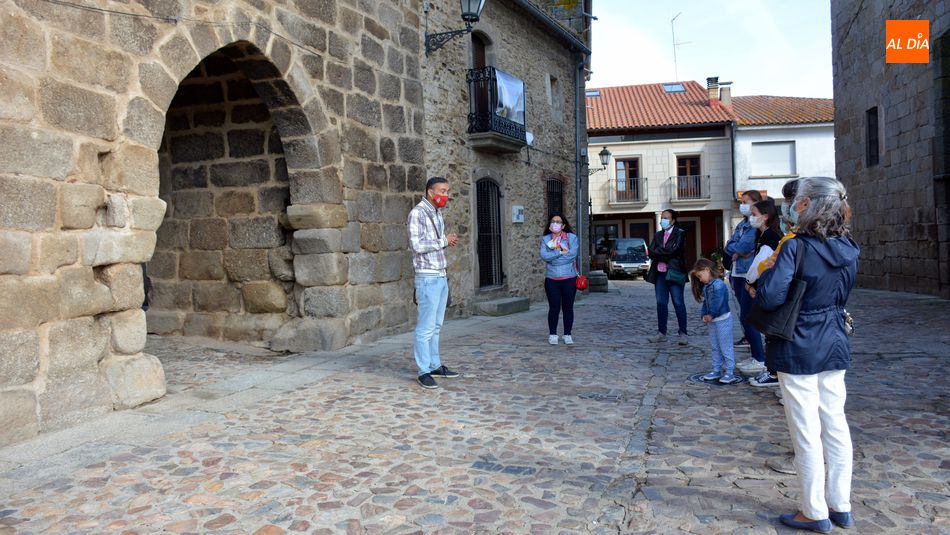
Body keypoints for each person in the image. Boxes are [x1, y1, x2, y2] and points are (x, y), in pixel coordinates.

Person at [755, 176, 859, 532]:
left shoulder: (796, 247)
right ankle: (840, 504)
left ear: (809, 204)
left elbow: (770, 297)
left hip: (799, 339)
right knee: (835, 423)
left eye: (799, 199)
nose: (794, 205)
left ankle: (814, 510)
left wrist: (767, 274)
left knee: (805, 429)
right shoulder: (848, 246)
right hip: (833, 338)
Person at [408, 177, 460, 389]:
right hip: (427, 277)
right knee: (425, 327)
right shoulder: (417, 214)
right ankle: (423, 371)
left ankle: (434, 364)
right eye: (442, 191)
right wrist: (444, 241)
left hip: (440, 275)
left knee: (436, 326)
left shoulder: (436, 213)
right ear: (430, 192)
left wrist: (445, 243)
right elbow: (417, 245)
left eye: (447, 191)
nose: (445, 195)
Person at [724, 190, 766, 374]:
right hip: (737, 272)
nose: (742, 205)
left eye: (746, 202)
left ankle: (760, 358)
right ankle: (755, 356)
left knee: (748, 317)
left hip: (747, 273)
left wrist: (739, 250)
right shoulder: (742, 224)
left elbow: (744, 246)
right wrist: (738, 250)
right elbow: (729, 246)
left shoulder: (754, 226)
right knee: (744, 316)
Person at [745, 198, 783, 387]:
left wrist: (749, 282)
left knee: (770, 331)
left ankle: (773, 372)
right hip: (764, 286)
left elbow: (760, 265)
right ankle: (771, 369)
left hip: (767, 288)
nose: (751, 218)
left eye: (754, 215)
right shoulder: (764, 236)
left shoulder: (769, 237)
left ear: (765, 217)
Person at [689, 258, 740, 384]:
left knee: (725, 346)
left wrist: (710, 315)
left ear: (707, 270)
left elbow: (718, 302)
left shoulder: (719, 285)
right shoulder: (707, 287)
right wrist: (704, 315)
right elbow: (706, 302)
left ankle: (729, 371)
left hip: (722, 320)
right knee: (715, 346)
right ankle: (716, 369)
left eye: (700, 276)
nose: (700, 280)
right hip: (713, 321)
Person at [645, 209, 689, 345]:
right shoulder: (658, 235)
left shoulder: (680, 234)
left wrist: (659, 253)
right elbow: (651, 252)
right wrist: (662, 253)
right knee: (661, 303)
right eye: (662, 217)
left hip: (675, 272)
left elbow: (675, 251)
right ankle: (661, 333)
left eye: (666, 218)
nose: (663, 220)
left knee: (678, 302)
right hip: (660, 273)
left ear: (673, 220)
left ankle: (683, 333)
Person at [539, 213, 579, 345]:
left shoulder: (572, 238)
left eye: (558, 221)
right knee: (554, 308)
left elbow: (572, 255)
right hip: (552, 279)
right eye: (553, 221)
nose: (555, 223)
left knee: (568, 308)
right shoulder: (546, 240)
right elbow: (544, 256)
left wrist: (554, 258)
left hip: (569, 278)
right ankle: (553, 334)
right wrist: (560, 253)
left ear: (563, 225)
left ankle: (567, 334)